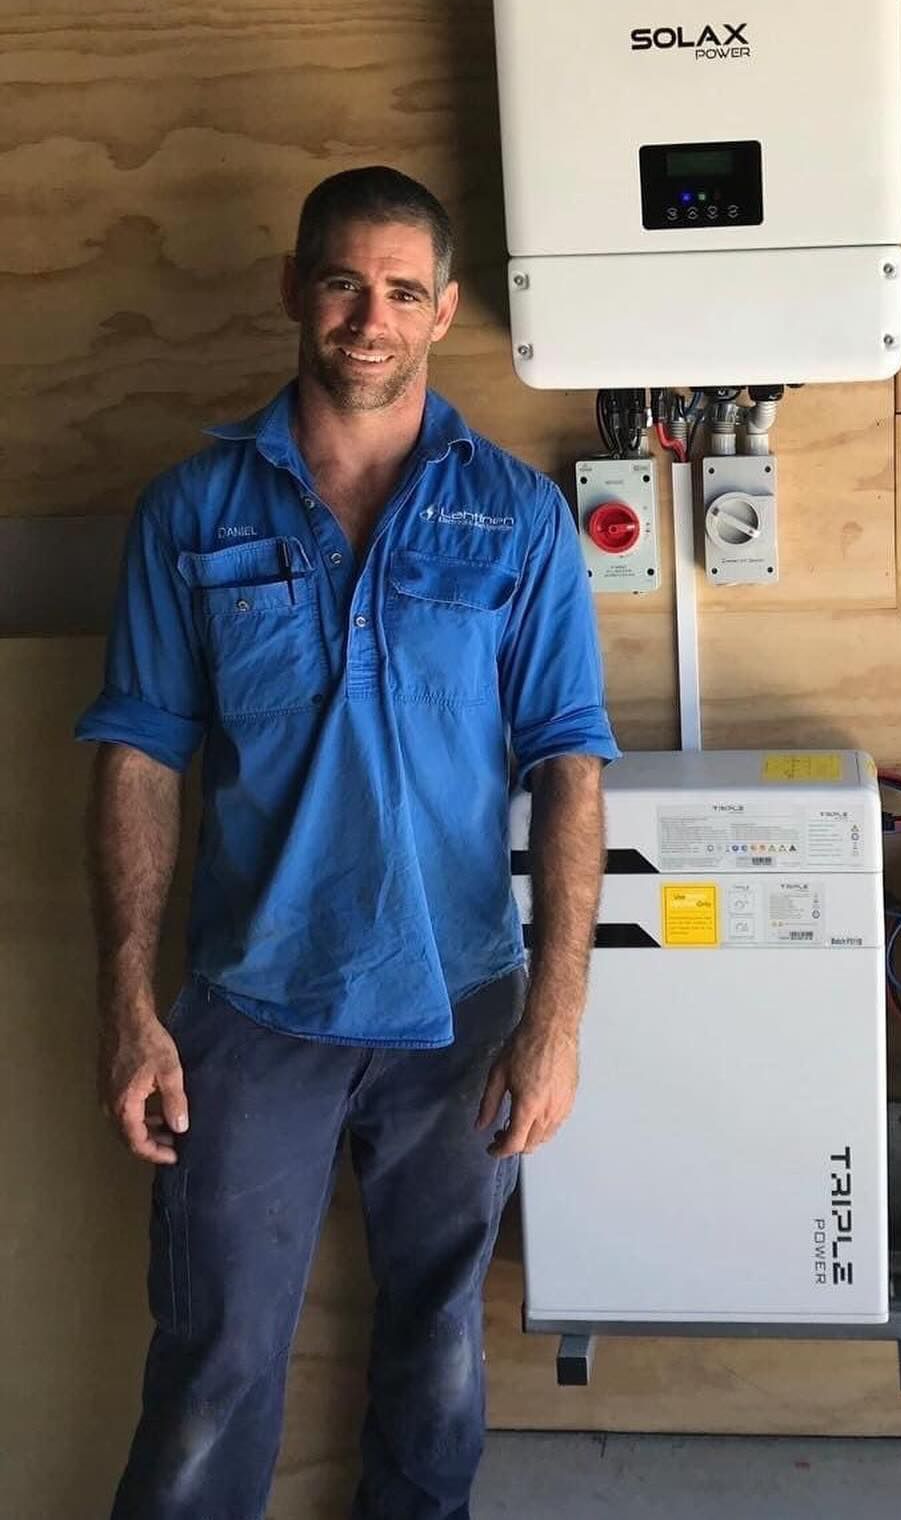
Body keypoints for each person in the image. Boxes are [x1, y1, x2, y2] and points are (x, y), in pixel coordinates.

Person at [75, 166, 617, 1520]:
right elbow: (140, 761)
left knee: (437, 1346)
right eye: (340, 284)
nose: (366, 320)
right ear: (295, 294)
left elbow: (570, 769)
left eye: (398, 291)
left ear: (441, 311)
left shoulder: (519, 520)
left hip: (461, 1006)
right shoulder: (191, 514)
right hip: (250, 1009)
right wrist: (131, 1006)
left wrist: (555, 1019)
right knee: (215, 1360)